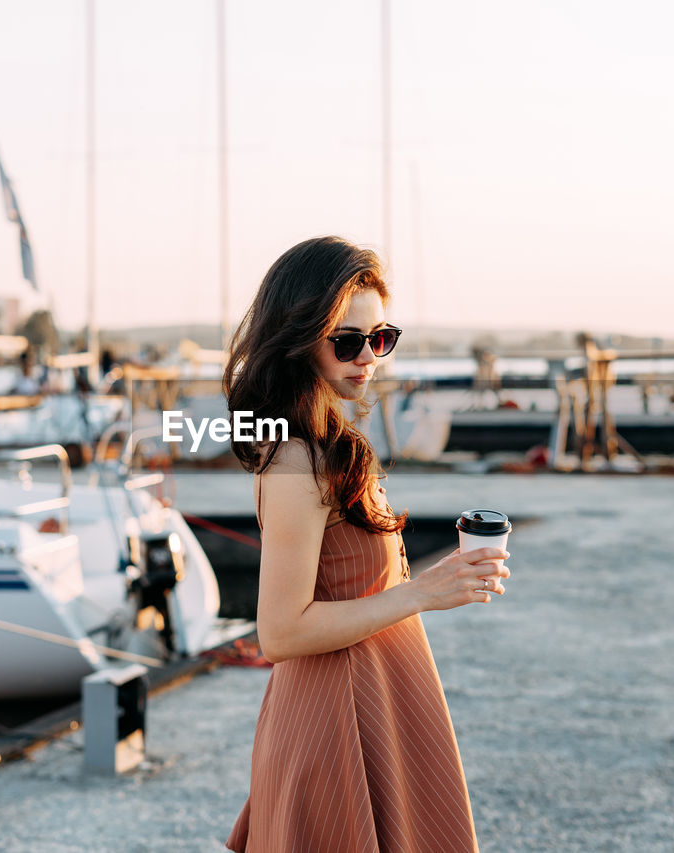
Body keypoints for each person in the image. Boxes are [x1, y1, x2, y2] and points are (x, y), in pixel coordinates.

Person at [223, 236, 509, 852]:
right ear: (299, 340)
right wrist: (422, 593)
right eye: (347, 341)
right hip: (337, 721)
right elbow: (280, 632)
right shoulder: (298, 457)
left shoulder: (327, 442)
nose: (368, 356)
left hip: (372, 703)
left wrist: (439, 581)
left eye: (380, 338)